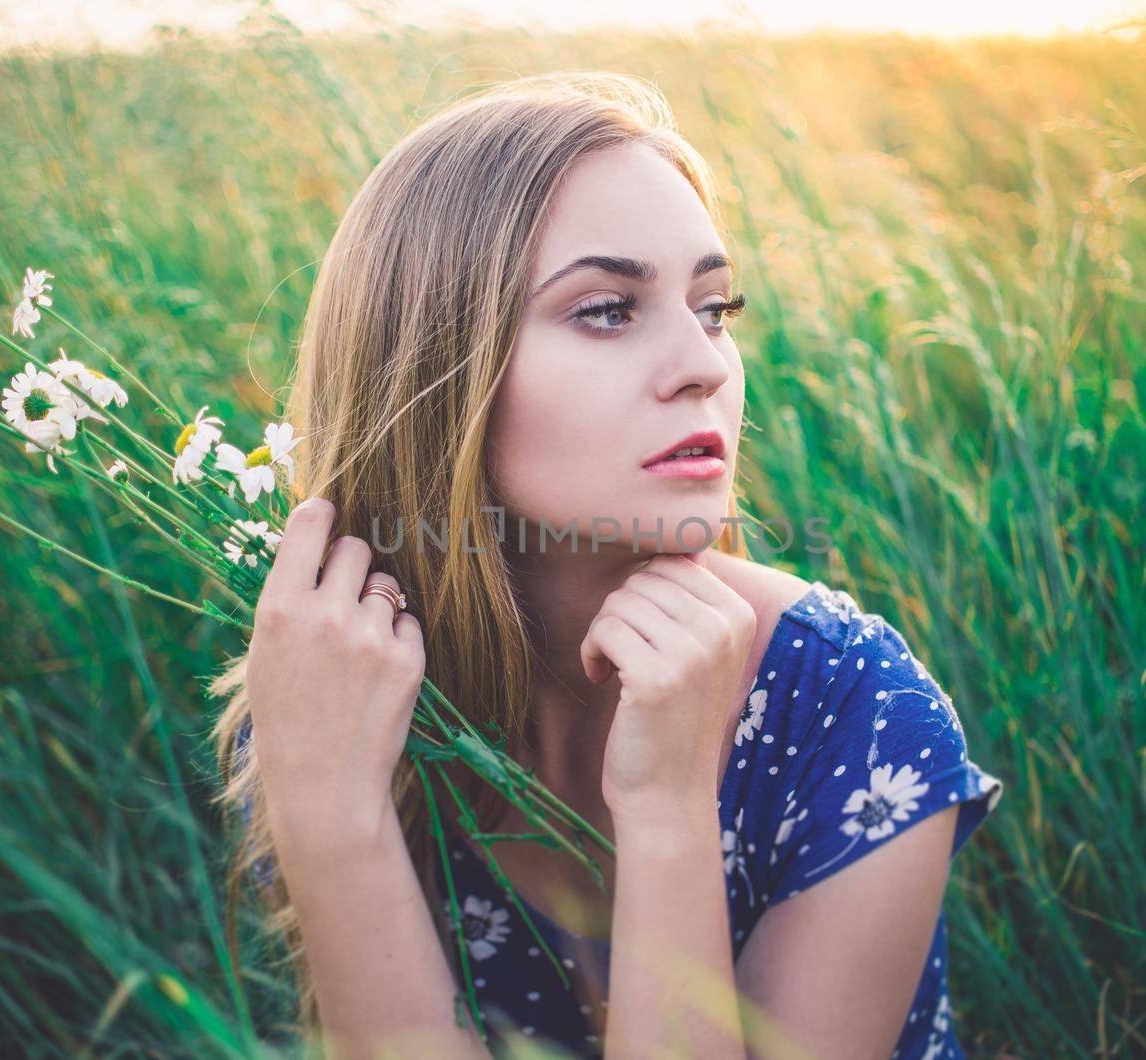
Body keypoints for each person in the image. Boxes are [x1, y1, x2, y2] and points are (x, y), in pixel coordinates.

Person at [210, 70, 1004, 1059]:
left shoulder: (847, 708)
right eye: (605, 309)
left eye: (713, 306)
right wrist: (332, 822)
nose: (705, 364)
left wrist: (669, 812)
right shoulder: (333, 697)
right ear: (432, 376)